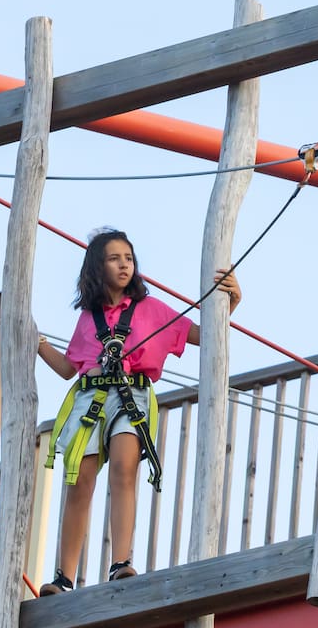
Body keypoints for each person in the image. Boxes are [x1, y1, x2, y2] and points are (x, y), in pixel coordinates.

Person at [34, 229, 241, 594]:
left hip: (131, 394)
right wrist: (37, 343)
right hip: (90, 399)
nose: (124, 264)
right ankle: (63, 577)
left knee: (124, 469)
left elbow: (203, 333)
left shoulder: (151, 310)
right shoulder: (88, 319)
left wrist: (232, 302)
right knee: (79, 481)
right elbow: (69, 367)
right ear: (97, 267)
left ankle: (120, 561)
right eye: (114, 258)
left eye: (128, 258)